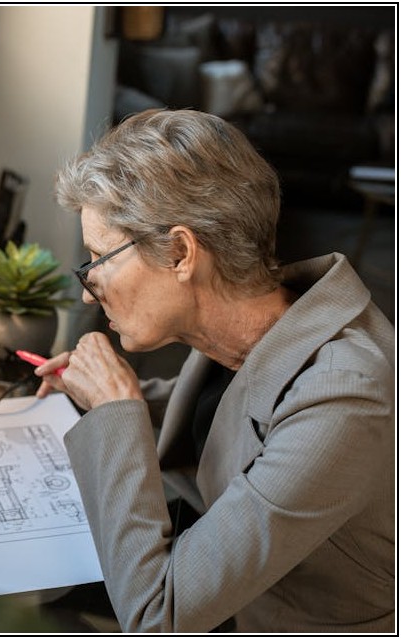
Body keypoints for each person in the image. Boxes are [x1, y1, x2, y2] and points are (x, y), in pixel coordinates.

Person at [33, 109, 394, 632]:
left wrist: (117, 410)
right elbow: (230, 403)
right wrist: (95, 394)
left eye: (97, 259)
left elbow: (157, 616)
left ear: (181, 252)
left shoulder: (345, 398)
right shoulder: (251, 322)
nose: (89, 284)